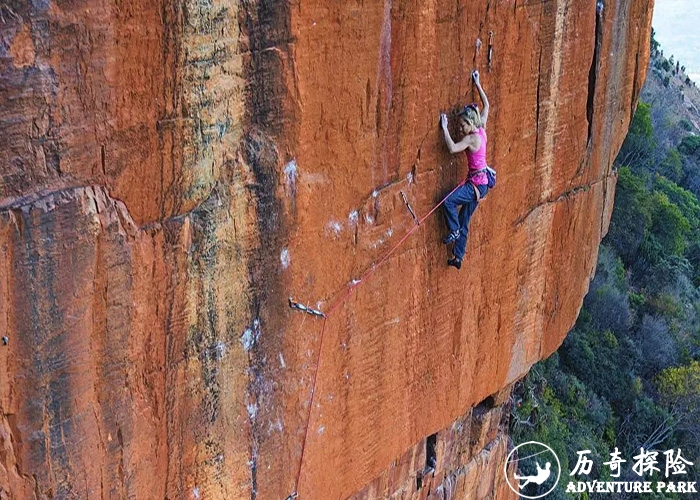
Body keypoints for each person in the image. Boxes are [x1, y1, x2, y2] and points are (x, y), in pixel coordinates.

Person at [439, 70, 490, 270]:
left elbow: (452, 148)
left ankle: (453, 231)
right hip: (483, 184)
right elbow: (486, 105)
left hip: (476, 185)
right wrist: (477, 83)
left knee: (448, 201)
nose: (459, 130)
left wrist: (444, 127)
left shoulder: (471, 138)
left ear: (470, 123)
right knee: (464, 219)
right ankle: (458, 257)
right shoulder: (482, 127)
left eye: (461, 126)